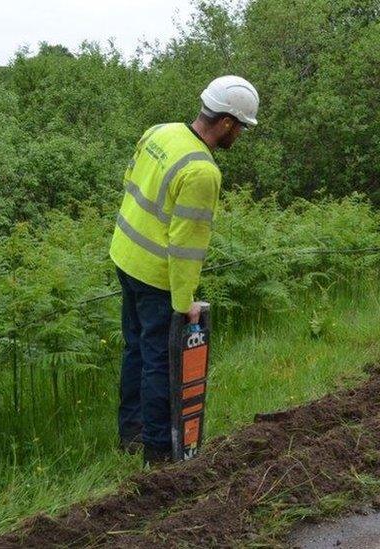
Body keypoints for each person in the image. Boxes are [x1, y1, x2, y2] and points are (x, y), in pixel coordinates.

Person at [109, 75, 259, 464]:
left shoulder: (160, 132)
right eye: (241, 126)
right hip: (156, 274)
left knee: (136, 348)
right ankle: (158, 452)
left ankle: (131, 433)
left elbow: (130, 183)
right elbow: (186, 246)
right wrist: (183, 303)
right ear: (226, 122)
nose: (239, 134)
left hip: (124, 256)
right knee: (160, 359)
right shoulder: (203, 172)